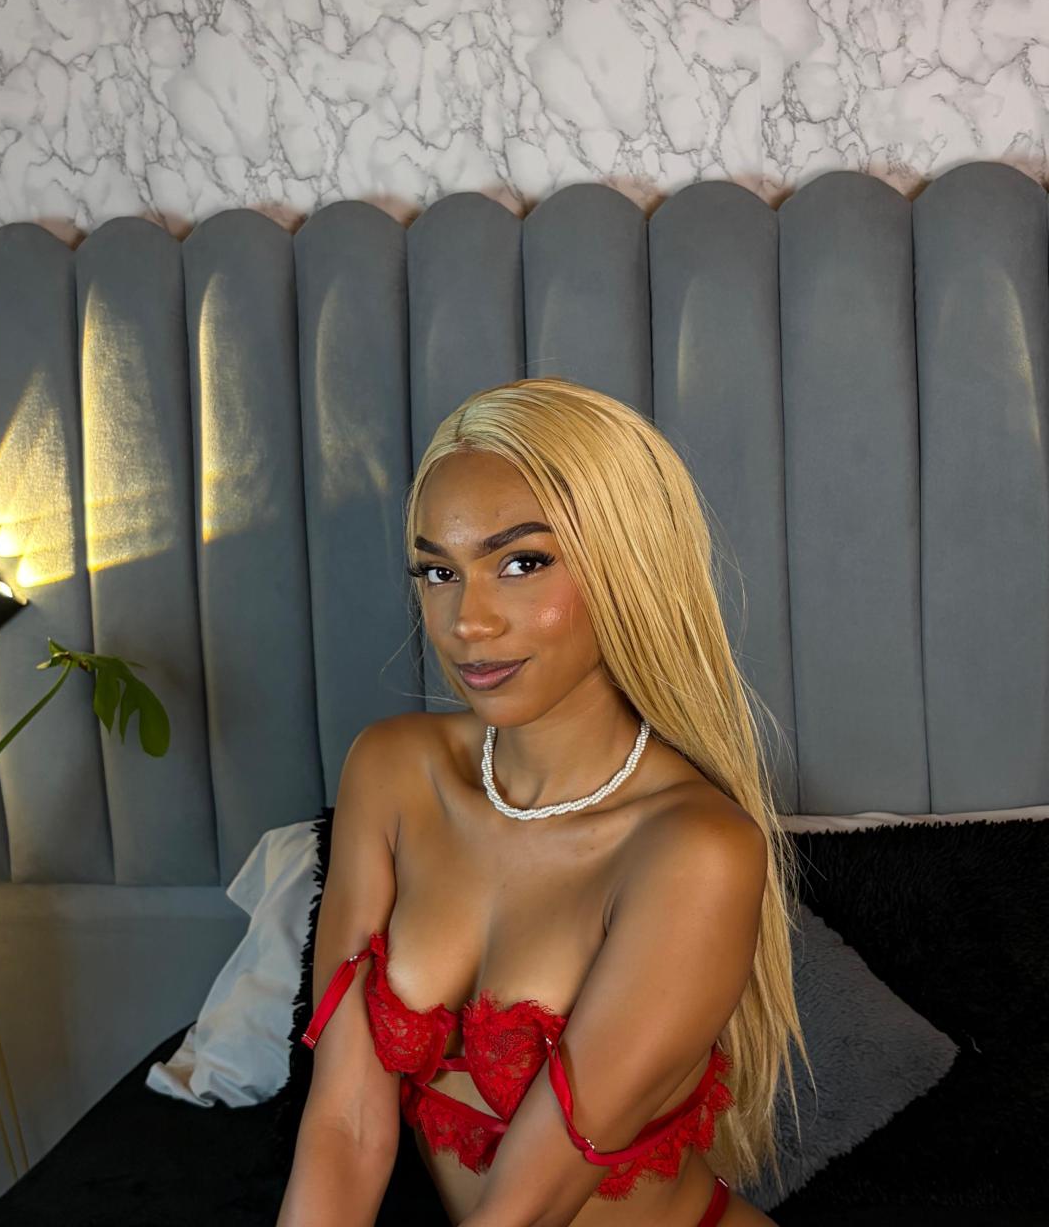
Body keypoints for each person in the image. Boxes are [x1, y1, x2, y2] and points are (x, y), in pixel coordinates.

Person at [276, 377, 813, 1227]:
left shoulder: (696, 850)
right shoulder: (391, 772)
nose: (467, 621)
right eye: (439, 572)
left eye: (522, 563)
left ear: (626, 566)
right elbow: (345, 1124)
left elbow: (523, 1211)